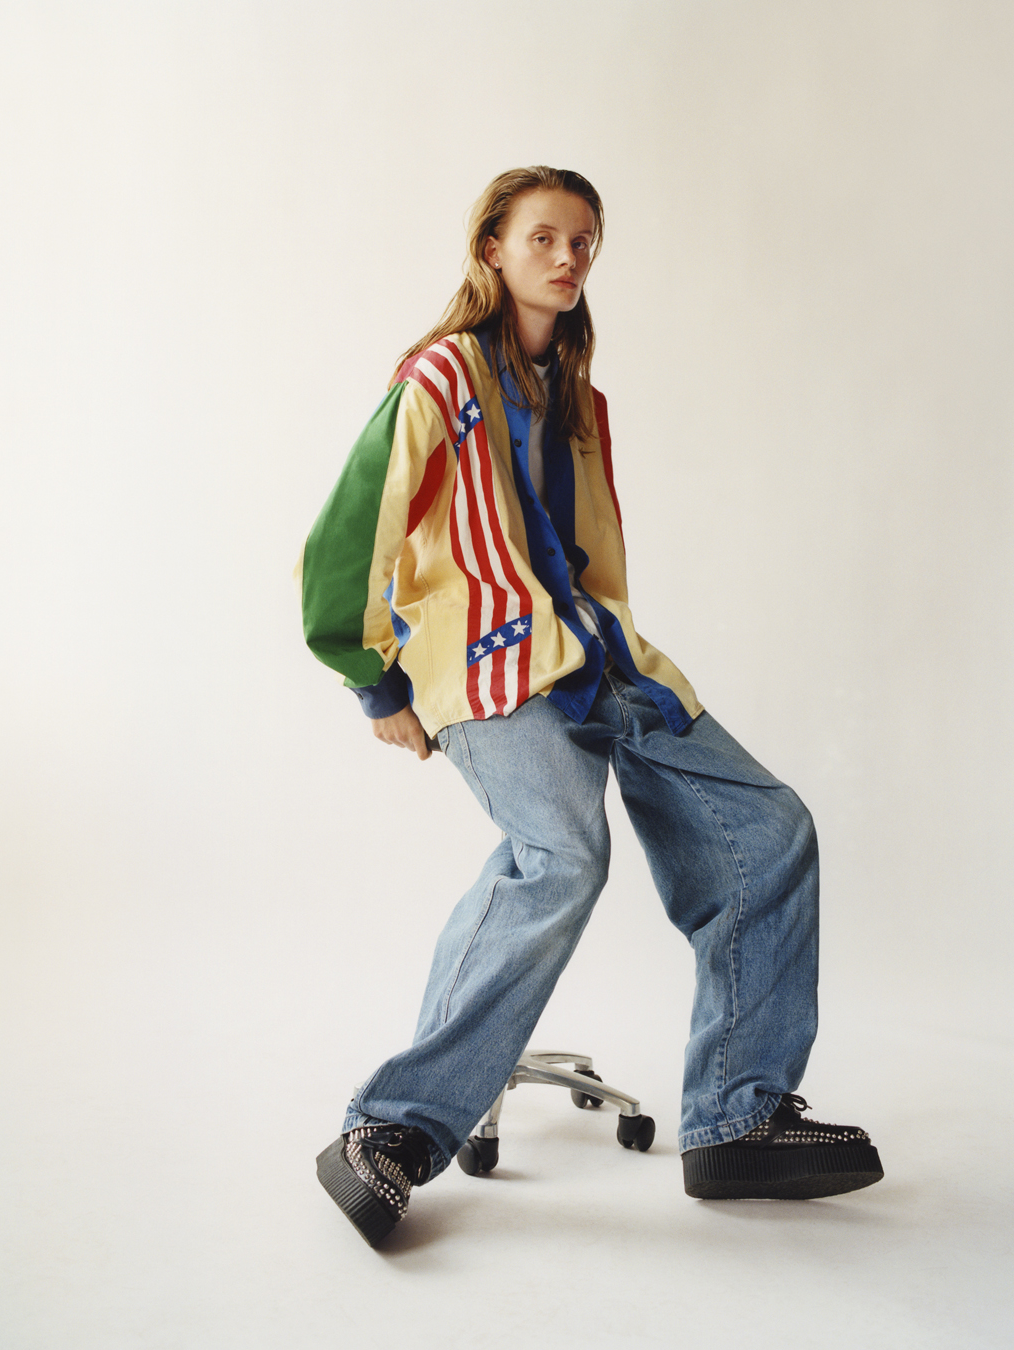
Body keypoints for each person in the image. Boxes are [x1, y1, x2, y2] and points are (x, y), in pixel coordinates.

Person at [300, 166, 882, 1248]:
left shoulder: (575, 402)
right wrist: (371, 677)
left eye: (583, 241)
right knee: (562, 854)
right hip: (484, 670)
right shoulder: (435, 380)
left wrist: (615, 659)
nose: (567, 259)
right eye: (543, 239)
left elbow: (582, 562)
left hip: (598, 660)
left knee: (769, 827)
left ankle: (736, 1118)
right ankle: (388, 1130)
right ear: (492, 251)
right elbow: (348, 533)